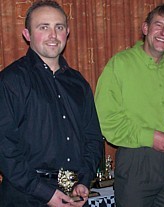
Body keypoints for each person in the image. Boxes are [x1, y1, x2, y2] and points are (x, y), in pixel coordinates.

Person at [0, 0, 103, 206]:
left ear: (67, 32)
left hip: (73, 195)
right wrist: (45, 193)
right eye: (43, 27)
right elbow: (5, 148)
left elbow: (93, 138)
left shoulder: (79, 83)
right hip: (25, 197)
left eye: (59, 27)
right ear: (27, 35)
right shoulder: (10, 81)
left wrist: (83, 180)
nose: (53, 35)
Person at [94, 3, 164, 207]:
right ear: (145, 28)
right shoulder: (120, 64)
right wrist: (149, 137)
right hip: (137, 161)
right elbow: (106, 119)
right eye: (158, 25)